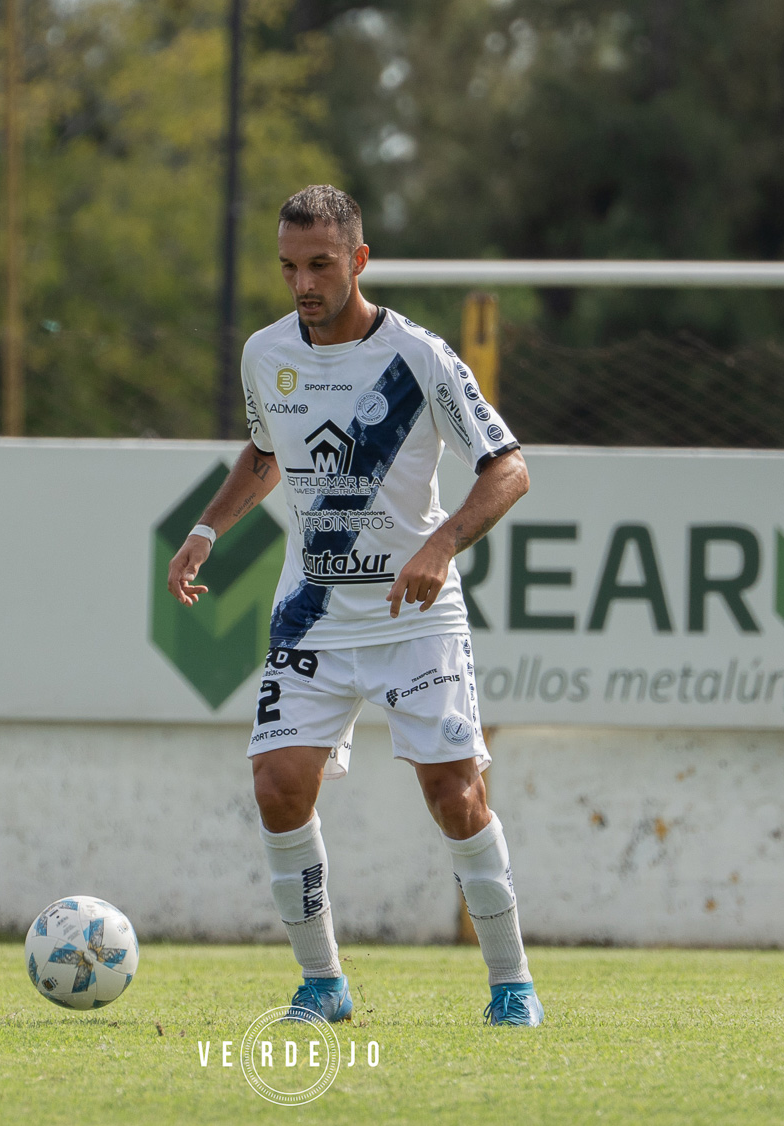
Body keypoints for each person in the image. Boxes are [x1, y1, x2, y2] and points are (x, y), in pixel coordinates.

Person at [164, 184, 542, 1027]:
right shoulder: (265, 355)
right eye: (290, 267)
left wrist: (439, 546)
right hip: (315, 612)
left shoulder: (419, 355)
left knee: (456, 797)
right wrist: (207, 529)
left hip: (414, 617)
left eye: (321, 265)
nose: (303, 283)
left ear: (359, 260)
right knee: (277, 786)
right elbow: (265, 454)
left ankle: (512, 984)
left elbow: (509, 467)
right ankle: (322, 984)